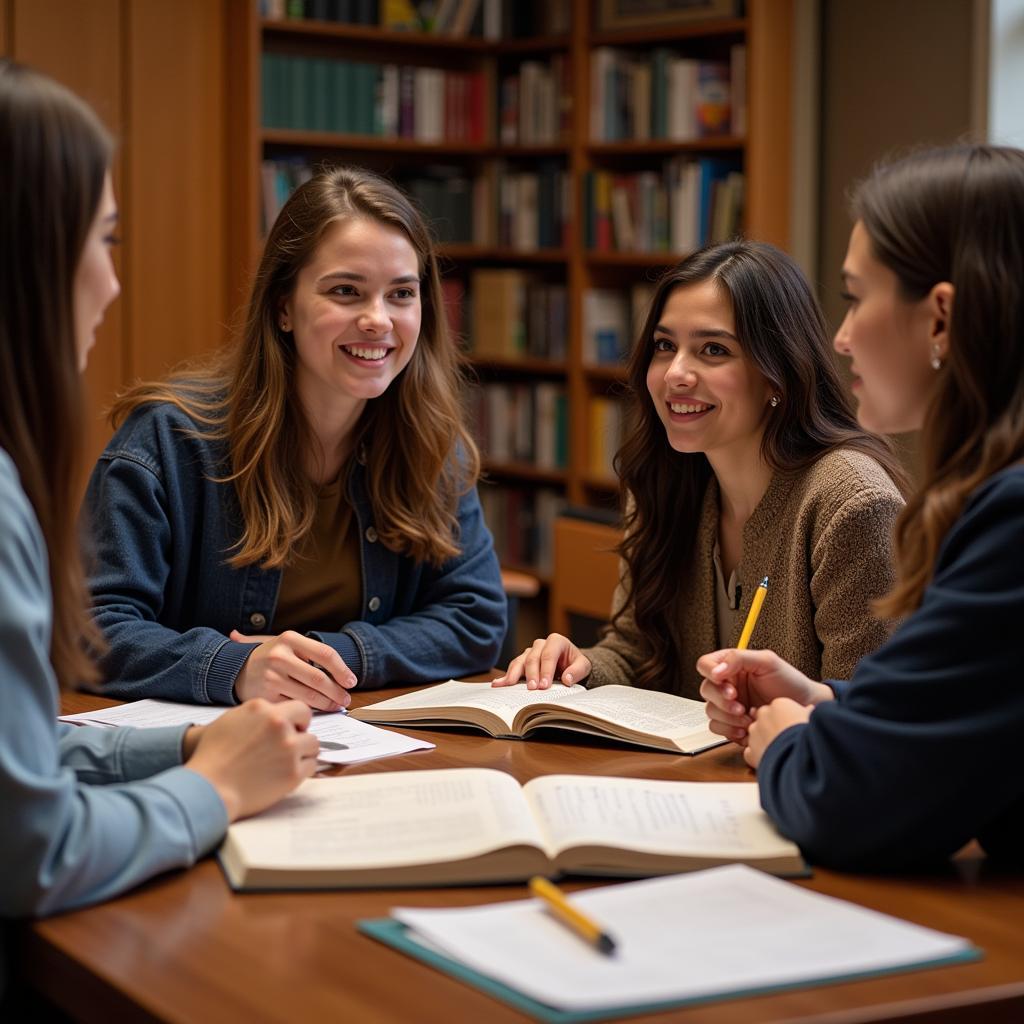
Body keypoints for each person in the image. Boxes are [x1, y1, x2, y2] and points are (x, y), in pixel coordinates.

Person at [0, 58, 317, 941]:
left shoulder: (434, 447)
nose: (111, 282)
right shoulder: (158, 444)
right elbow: (32, 849)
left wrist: (184, 746)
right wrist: (213, 788)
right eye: (99, 240)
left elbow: (17, 753)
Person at [700, 144, 1024, 870]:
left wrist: (788, 738)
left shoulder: (1010, 516)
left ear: (940, 318)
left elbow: (848, 801)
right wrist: (827, 702)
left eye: (854, 297)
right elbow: (973, 712)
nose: (839, 337)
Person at [84, 166, 505, 709]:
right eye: (346, 291)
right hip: (203, 756)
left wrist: (331, 658)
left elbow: (475, 617)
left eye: (402, 293)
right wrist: (235, 668)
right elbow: (93, 628)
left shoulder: (431, 445)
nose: (378, 320)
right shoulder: (167, 441)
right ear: (283, 306)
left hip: (369, 747)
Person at [496, 241, 906, 699]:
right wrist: (582, 666)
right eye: (665, 346)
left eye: (713, 349)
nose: (676, 374)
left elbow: (875, 714)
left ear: (778, 373)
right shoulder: (662, 480)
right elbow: (636, 651)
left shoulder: (852, 505)